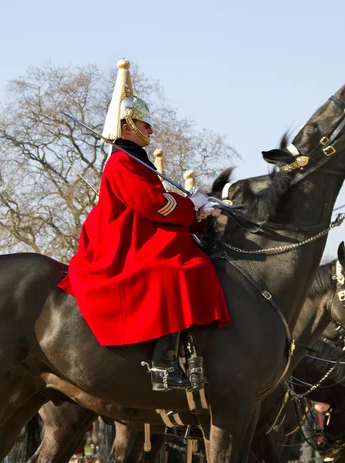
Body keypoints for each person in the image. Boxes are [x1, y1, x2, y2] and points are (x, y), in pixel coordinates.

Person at [59, 59, 230, 391]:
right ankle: (163, 363)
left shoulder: (137, 160)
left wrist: (197, 212)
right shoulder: (122, 162)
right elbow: (153, 204)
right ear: (128, 127)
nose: (150, 130)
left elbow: (159, 201)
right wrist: (191, 206)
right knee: (184, 268)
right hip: (123, 243)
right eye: (144, 125)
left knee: (195, 258)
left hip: (141, 233)